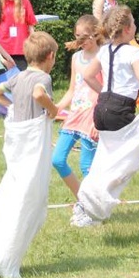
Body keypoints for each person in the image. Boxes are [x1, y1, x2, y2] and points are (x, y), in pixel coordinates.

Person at [0, 31, 58, 278]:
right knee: (30, 199)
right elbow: (39, 94)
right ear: (50, 56)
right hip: (31, 145)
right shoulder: (43, 78)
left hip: (18, 142)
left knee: (14, 190)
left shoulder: (18, 77)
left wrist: (11, 107)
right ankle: (7, 260)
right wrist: (53, 110)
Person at [78, 5, 139, 226]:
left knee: (104, 156)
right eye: (134, 22)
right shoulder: (133, 52)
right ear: (128, 29)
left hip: (102, 108)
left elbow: (88, 75)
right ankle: (94, 200)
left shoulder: (104, 50)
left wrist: (104, 94)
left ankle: (84, 206)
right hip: (121, 109)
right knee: (127, 161)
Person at [51, 15, 102, 204]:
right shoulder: (75, 58)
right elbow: (72, 90)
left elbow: (105, 92)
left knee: (86, 165)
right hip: (74, 116)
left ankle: (92, 206)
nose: (81, 40)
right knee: (57, 159)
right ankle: (84, 199)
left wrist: (100, 120)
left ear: (96, 35)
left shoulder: (102, 57)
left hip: (93, 117)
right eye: (77, 36)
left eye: (85, 36)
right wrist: (56, 109)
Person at [0, 0, 37, 70]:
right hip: (3, 45)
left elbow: (31, 24)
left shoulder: (24, 1)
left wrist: (34, 42)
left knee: (22, 75)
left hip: (20, 46)